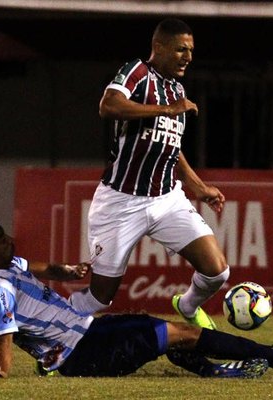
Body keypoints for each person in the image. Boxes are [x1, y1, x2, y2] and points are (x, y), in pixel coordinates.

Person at [0, 220, 273, 379]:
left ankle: (214, 369)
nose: (10, 240)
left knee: (154, 326)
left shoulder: (5, 268)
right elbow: (3, 332)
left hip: (86, 334)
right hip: (84, 352)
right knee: (179, 333)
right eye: (1, 241)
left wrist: (66, 271)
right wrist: (1, 372)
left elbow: (39, 267)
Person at [70, 18, 229, 330]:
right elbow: (109, 104)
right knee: (100, 298)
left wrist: (197, 186)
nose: (188, 57)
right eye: (181, 49)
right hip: (120, 203)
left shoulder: (176, 89)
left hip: (166, 199)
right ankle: (52, 339)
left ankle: (186, 305)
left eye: (191, 50)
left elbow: (170, 145)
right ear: (159, 47)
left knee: (217, 271)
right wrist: (167, 110)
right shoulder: (138, 72)